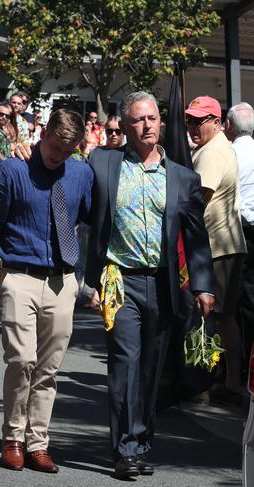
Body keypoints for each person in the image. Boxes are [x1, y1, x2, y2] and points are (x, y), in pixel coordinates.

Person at [85, 91, 215, 478]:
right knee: (126, 362)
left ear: (161, 123)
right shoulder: (103, 163)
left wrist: (204, 285)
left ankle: (141, 442)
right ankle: (125, 449)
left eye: (153, 119)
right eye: (139, 120)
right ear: (124, 127)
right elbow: (67, 174)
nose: (147, 126)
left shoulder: (183, 178)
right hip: (119, 281)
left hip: (162, 283)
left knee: (151, 368)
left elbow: (196, 237)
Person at [0, 109, 92, 474]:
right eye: (55, 148)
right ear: (43, 135)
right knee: (21, 360)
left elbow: (89, 217)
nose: (59, 157)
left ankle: (38, 442)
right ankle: (12, 438)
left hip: (63, 280)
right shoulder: (12, 170)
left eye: (68, 151)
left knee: (48, 367)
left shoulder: (81, 173)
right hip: (19, 274)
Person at [185, 95, 247, 401]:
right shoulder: (215, 147)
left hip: (217, 246)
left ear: (216, 121)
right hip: (224, 244)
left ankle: (213, 381)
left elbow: (197, 201)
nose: (193, 126)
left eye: (200, 120)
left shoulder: (211, 153)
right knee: (223, 316)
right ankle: (227, 379)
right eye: (190, 120)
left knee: (213, 316)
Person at [225, 102, 254, 363]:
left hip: (241, 230)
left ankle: (242, 361)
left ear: (229, 125)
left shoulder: (230, 153)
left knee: (238, 300)